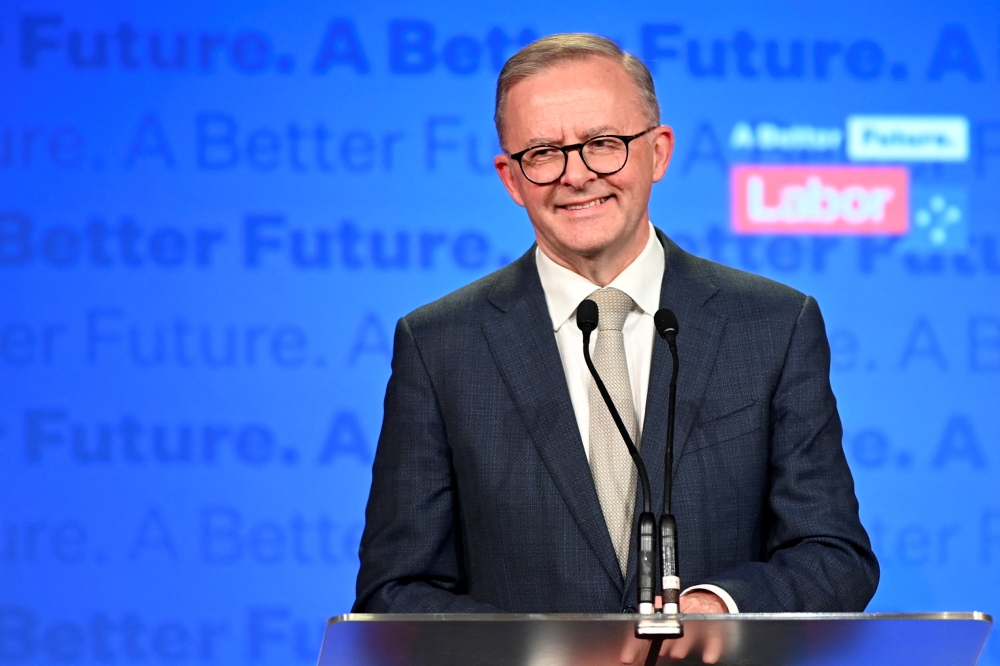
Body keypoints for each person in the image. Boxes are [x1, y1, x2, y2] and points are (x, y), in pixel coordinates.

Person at [353, 34, 878, 615]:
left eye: (604, 144)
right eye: (544, 153)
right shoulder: (440, 345)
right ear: (510, 178)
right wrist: (549, 651)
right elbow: (395, 592)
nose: (576, 176)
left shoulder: (773, 325)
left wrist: (721, 607)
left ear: (659, 152)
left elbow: (833, 556)